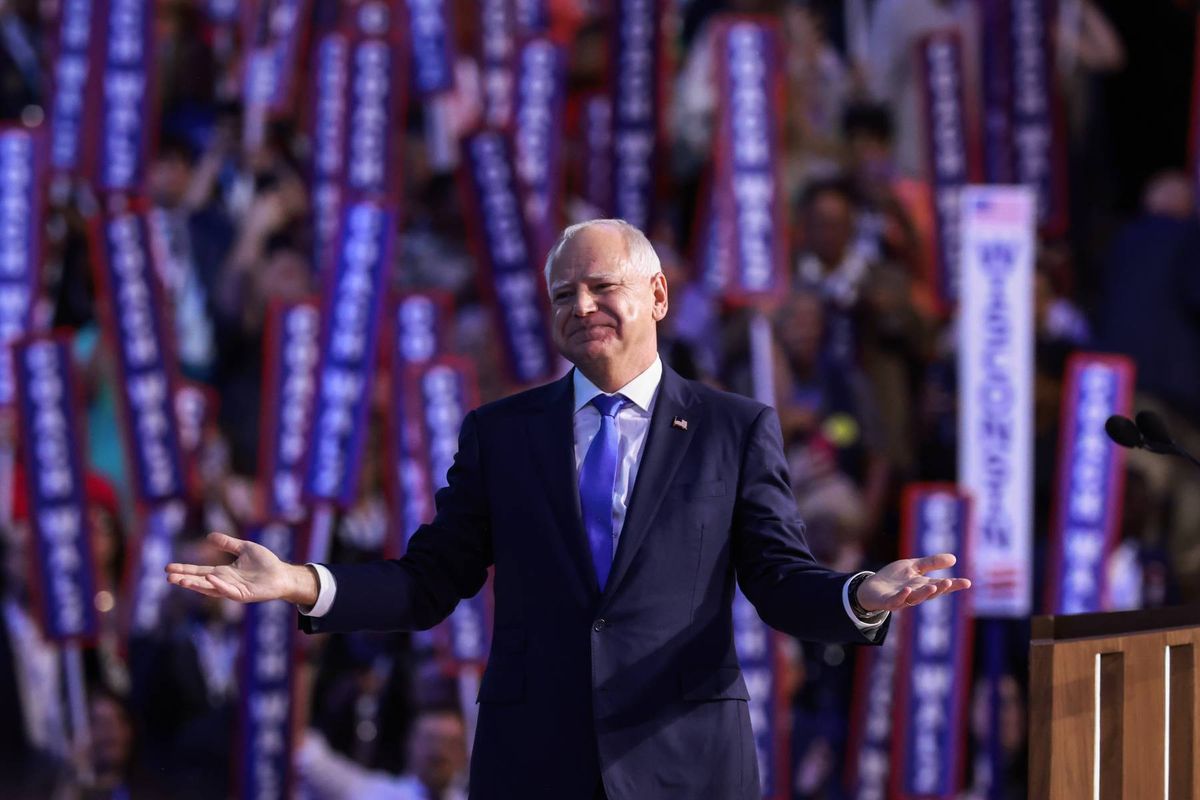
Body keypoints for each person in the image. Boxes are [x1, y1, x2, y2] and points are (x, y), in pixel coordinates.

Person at [167, 219, 970, 799]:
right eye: (563, 294)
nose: (581, 305)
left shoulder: (734, 428)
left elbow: (778, 577)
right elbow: (427, 582)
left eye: (601, 286)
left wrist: (858, 596)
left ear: (656, 295)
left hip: (683, 763)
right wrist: (304, 584)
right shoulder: (501, 434)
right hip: (534, 762)